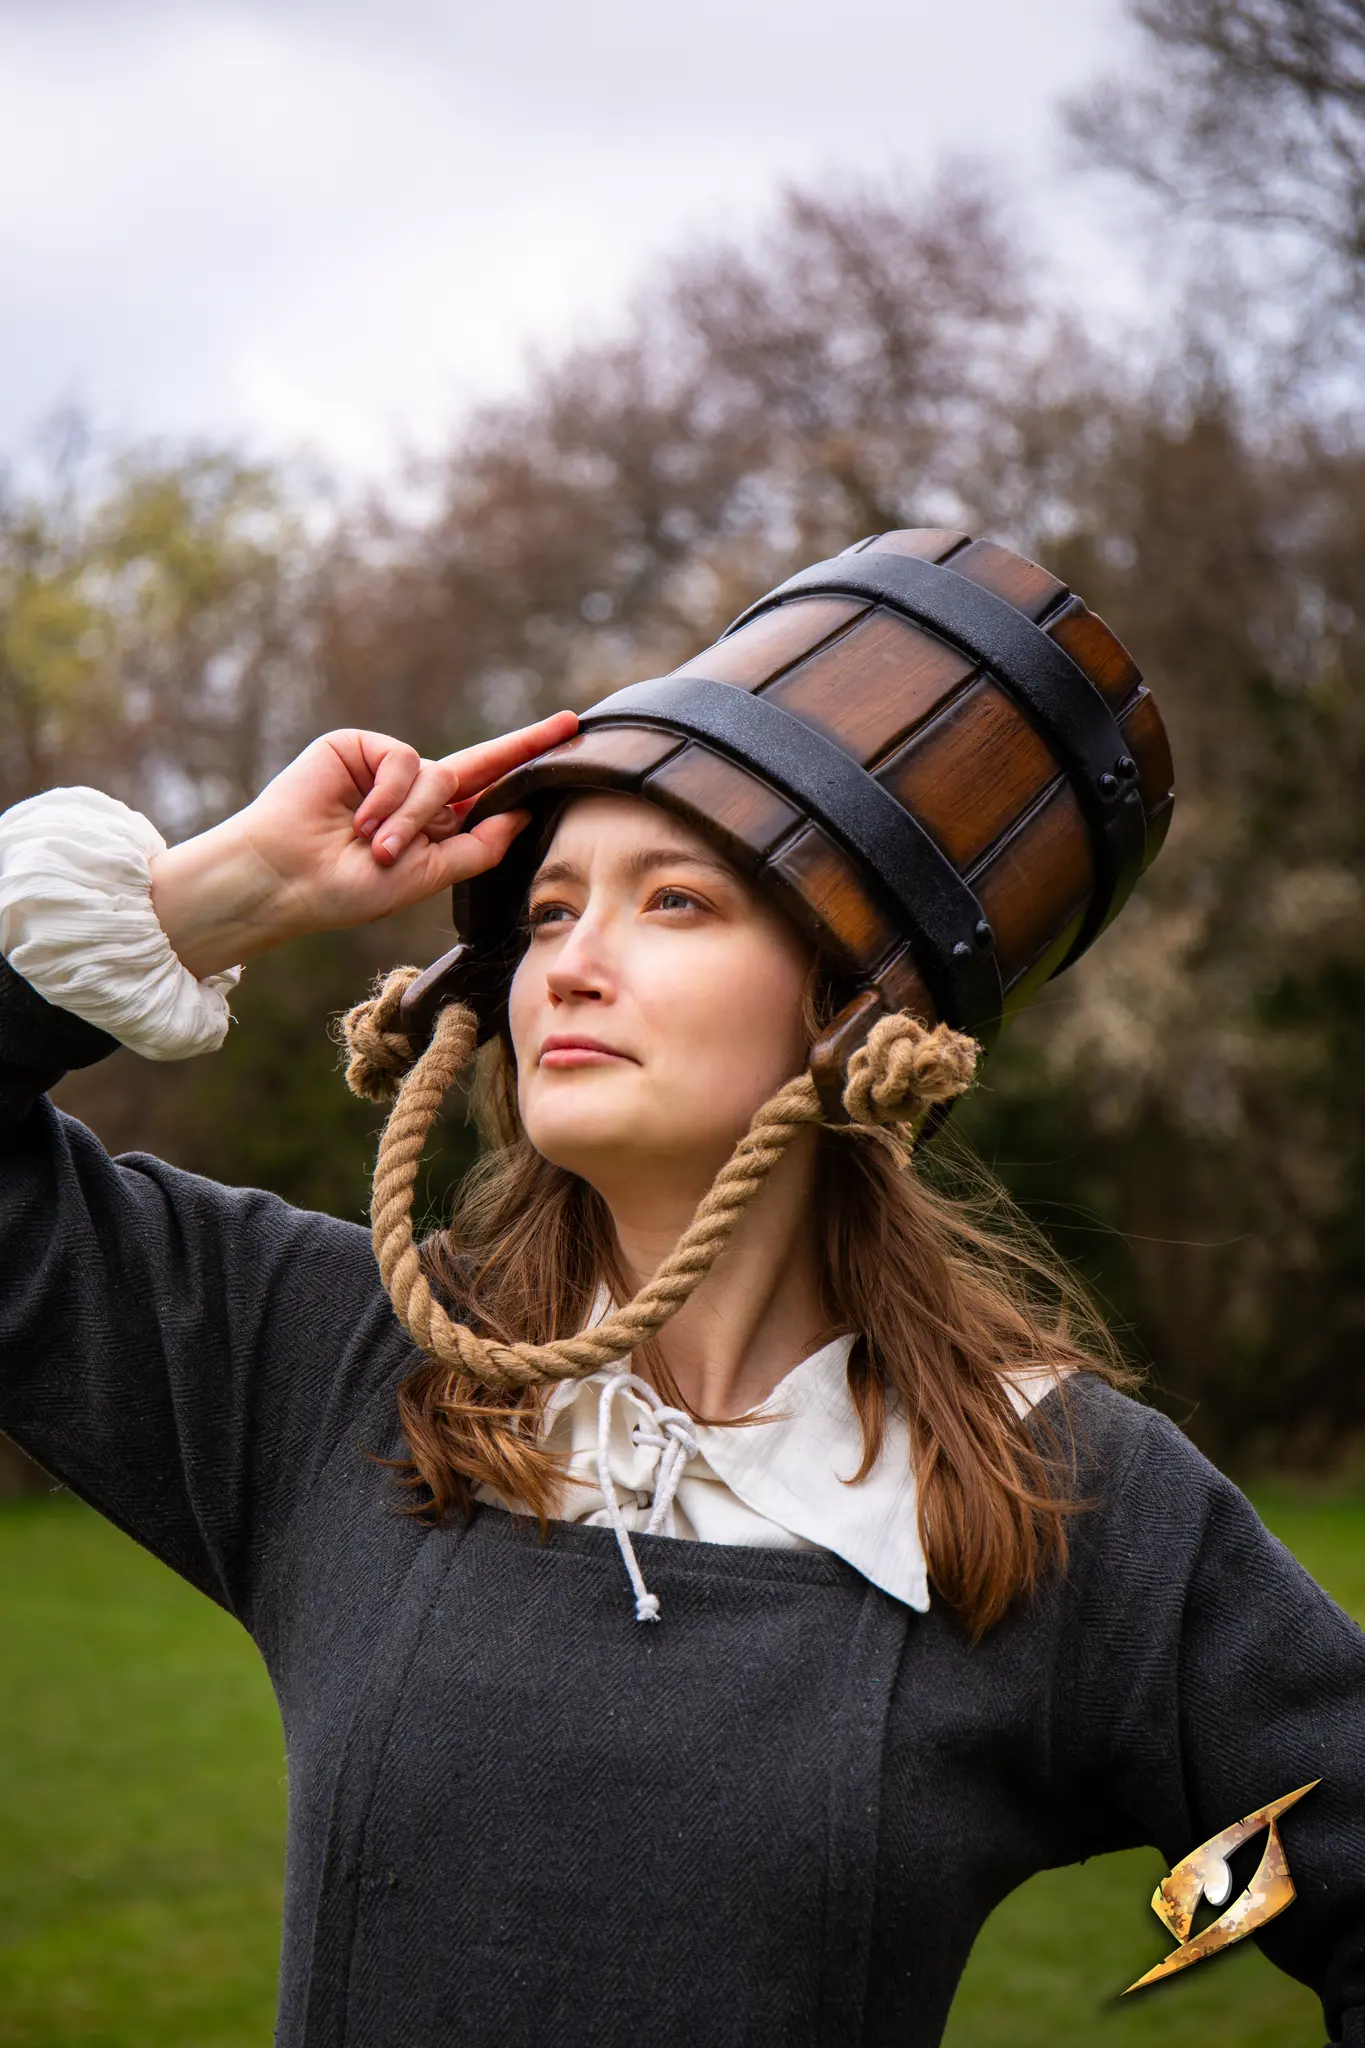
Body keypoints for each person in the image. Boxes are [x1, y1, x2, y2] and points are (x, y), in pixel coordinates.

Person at [1, 571, 1364, 2046]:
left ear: (853, 1005)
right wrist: (214, 899)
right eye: (547, 909)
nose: (571, 962)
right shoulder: (333, 1370)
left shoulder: (1048, 1491)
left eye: (674, 901)